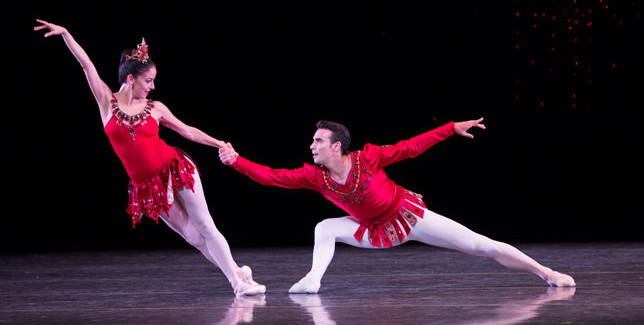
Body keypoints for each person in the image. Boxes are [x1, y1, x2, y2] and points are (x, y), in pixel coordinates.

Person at [34, 19, 265, 296]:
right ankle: (238, 273)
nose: (153, 86)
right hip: (148, 186)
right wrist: (67, 35)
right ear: (131, 79)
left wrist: (219, 143)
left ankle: (237, 283)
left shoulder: (155, 108)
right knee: (193, 237)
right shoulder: (107, 101)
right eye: (149, 80)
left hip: (174, 169)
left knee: (205, 225)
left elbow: (186, 131)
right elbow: (87, 66)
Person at [218, 118, 575, 293]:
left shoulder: (368, 158)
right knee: (325, 227)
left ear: (337, 147)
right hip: (374, 230)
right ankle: (313, 280)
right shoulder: (316, 176)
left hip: (409, 216)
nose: (311, 146)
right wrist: (236, 162)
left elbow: (409, 146)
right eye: (312, 141)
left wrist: (450, 128)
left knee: (481, 246)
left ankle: (547, 273)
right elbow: (271, 176)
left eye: (318, 141)